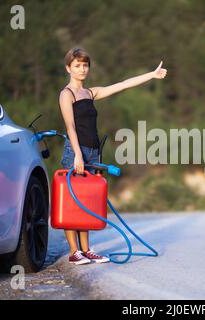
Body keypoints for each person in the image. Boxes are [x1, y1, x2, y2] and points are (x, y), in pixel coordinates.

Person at [58, 47, 167, 265]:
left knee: (86, 202)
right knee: (72, 201)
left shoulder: (91, 93)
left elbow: (123, 85)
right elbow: (70, 126)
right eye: (77, 65)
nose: (82, 69)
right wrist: (78, 155)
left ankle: (87, 249)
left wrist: (151, 75)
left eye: (85, 65)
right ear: (68, 68)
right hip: (76, 152)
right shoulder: (66, 94)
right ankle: (73, 251)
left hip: (92, 152)